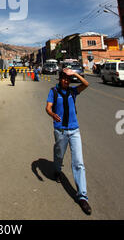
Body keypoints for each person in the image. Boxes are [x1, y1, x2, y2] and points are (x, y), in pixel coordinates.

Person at [46, 67, 92, 215]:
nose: (66, 81)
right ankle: (57, 170)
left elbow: (86, 84)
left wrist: (75, 74)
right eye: (64, 78)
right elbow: (48, 107)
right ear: (60, 79)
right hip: (60, 130)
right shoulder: (54, 91)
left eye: (68, 79)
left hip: (74, 131)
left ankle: (82, 197)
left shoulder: (73, 91)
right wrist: (52, 114)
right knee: (59, 155)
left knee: (78, 162)